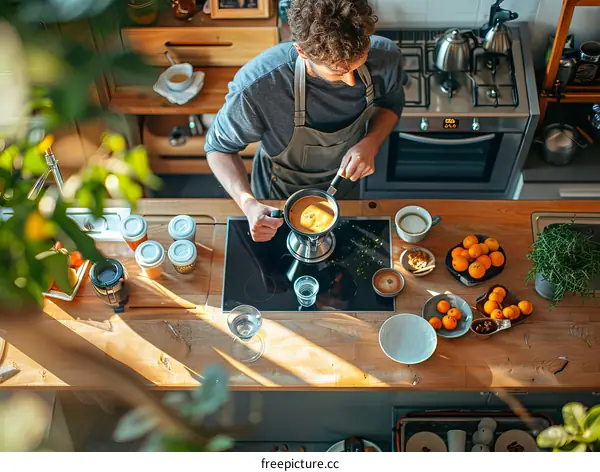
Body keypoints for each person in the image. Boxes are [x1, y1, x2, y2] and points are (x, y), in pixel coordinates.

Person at [204, 0, 404, 242]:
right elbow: (219, 149)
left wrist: (371, 142)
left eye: (358, 64)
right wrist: (248, 204)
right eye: (338, 72)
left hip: (347, 188)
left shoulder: (386, 57)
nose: (352, 81)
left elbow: (390, 105)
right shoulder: (260, 86)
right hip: (277, 198)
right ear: (301, 51)